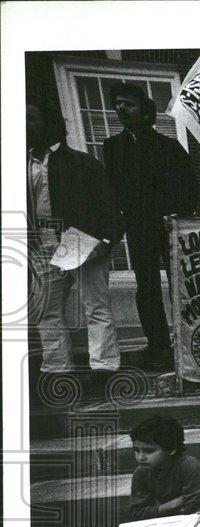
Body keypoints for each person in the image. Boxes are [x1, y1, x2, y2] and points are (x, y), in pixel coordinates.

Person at [26, 103, 122, 387]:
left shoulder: (82, 163)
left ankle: (104, 369)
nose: (24, 125)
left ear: (49, 123)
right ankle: (57, 369)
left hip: (81, 241)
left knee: (95, 305)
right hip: (40, 244)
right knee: (46, 309)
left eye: (31, 119)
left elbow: (110, 206)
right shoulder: (19, 163)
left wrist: (105, 241)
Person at [103, 83, 197, 369]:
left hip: (169, 226)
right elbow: (113, 188)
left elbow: (189, 186)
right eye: (118, 103)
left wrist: (179, 214)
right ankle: (157, 344)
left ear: (145, 112)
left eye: (128, 103)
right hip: (138, 227)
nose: (121, 108)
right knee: (146, 287)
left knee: (180, 286)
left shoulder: (168, 146)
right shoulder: (113, 147)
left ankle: (188, 340)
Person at [92, 415, 200, 527]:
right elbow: (137, 513)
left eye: (148, 451)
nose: (140, 457)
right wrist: (174, 503)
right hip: (156, 525)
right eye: (136, 450)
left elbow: (199, 510)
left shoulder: (190, 467)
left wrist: (157, 511)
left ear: (171, 449)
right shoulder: (141, 472)